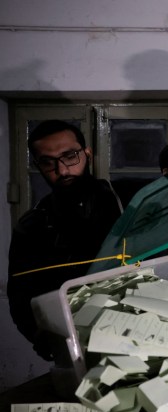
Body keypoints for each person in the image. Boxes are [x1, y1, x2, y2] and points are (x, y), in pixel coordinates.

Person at [7, 120, 123, 360]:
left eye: (69, 156)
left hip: (141, 333)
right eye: (48, 162)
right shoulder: (31, 226)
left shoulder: (125, 201)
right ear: (38, 165)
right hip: (74, 349)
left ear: (87, 154)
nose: (62, 170)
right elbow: (19, 295)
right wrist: (43, 338)